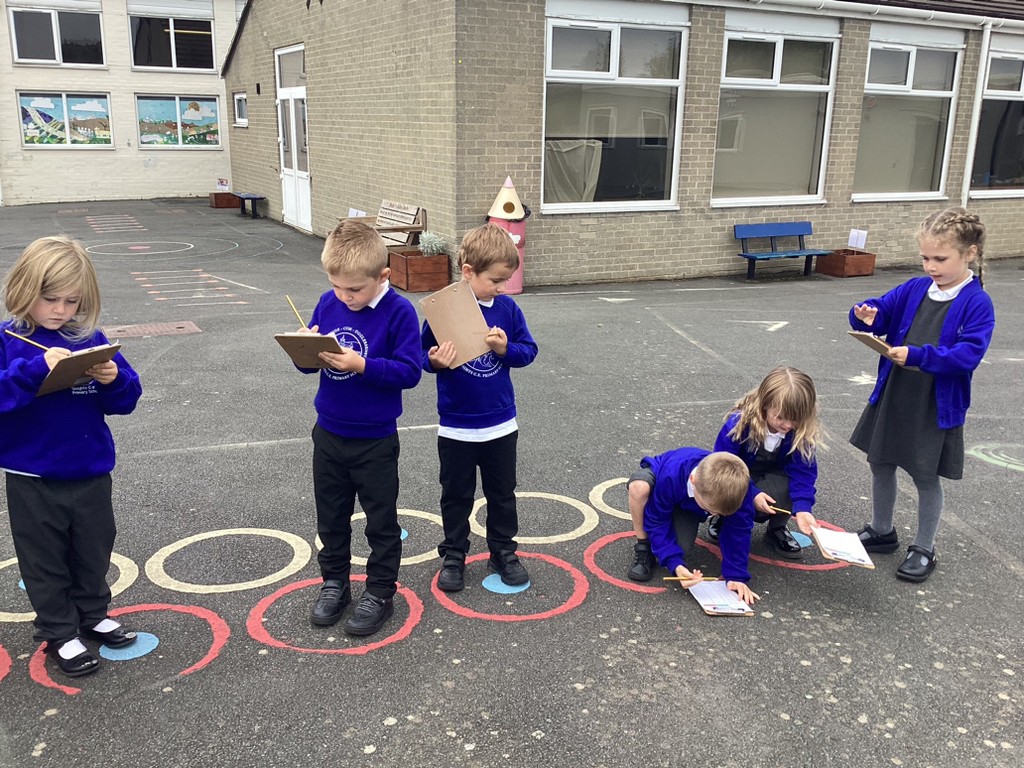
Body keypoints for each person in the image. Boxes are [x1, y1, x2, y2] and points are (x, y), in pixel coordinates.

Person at [0, 236, 142, 678]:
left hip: (90, 468)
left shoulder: (87, 337)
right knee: (44, 560)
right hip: (33, 474)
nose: (60, 310)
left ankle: (92, 614)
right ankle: (59, 632)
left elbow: (126, 400)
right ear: (25, 288)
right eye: (50, 299)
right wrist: (34, 370)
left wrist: (113, 378)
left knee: (93, 550)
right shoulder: (8, 339)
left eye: (72, 301)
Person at [849, 207, 995, 583]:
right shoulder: (917, 287)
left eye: (940, 259)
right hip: (896, 392)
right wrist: (867, 315)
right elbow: (885, 310)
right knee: (881, 462)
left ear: (970, 253)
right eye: (925, 257)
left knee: (925, 475)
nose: (931, 266)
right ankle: (882, 531)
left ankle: (924, 547)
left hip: (934, 404)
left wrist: (917, 356)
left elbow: (967, 355)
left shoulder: (976, 302)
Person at [295, 220, 421, 635]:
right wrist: (303, 347)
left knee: (380, 521)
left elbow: (410, 371)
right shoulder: (327, 303)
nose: (343, 297)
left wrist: (362, 364)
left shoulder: (399, 311)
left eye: (354, 289)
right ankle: (335, 583)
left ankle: (380, 591)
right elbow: (307, 365)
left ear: (383, 275)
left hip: (374, 438)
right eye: (336, 286)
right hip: (329, 432)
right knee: (330, 518)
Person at [422, 224, 539, 592]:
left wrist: (505, 349)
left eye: (506, 280)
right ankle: (453, 554)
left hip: (500, 424)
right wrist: (435, 361)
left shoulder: (507, 309)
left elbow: (528, 351)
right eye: (495, 280)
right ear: (468, 271)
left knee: (502, 494)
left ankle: (503, 552)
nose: (501, 287)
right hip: (456, 426)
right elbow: (422, 355)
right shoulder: (444, 310)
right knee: (455, 495)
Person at [705, 366, 825, 560]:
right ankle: (725, 517)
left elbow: (803, 473)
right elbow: (722, 464)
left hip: (771, 478)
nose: (787, 425)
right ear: (765, 404)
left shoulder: (800, 434)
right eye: (780, 417)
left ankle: (777, 528)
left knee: (792, 486)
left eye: (795, 419)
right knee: (726, 483)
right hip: (739, 476)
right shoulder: (740, 424)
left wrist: (803, 508)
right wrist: (752, 493)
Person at [624, 447, 760, 605]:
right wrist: (675, 564)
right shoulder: (671, 476)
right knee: (639, 487)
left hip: (691, 502)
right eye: (711, 510)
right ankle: (643, 546)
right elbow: (657, 521)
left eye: (718, 514)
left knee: (681, 546)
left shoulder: (740, 488)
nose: (713, 515)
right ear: (693, 481)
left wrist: (736, 576)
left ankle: (689, 514)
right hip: (666, 484)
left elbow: (739, 530)